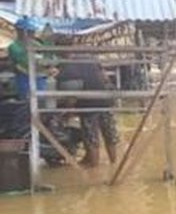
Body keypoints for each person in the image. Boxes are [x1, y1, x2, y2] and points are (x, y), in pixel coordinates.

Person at [56, 36, 119, 167]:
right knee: (110, 136)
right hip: (105, 101)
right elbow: (105, 78)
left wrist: (66, 113)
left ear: (59, 50)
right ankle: (114, 164)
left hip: (88, 105)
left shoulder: (67, 67)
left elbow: (72, 97)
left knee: (91, 138)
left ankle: (94, 170)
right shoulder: (89, 56)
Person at [8, 16, 51, 100]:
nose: (33, 34)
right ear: (23, 32)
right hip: (25, 80)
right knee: (27, 104)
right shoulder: (14, 46)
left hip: (40, 79)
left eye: (33, 31)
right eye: (31, 32)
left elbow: (49, 58)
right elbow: (23, 62)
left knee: (39, 104)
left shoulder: (38, 44)